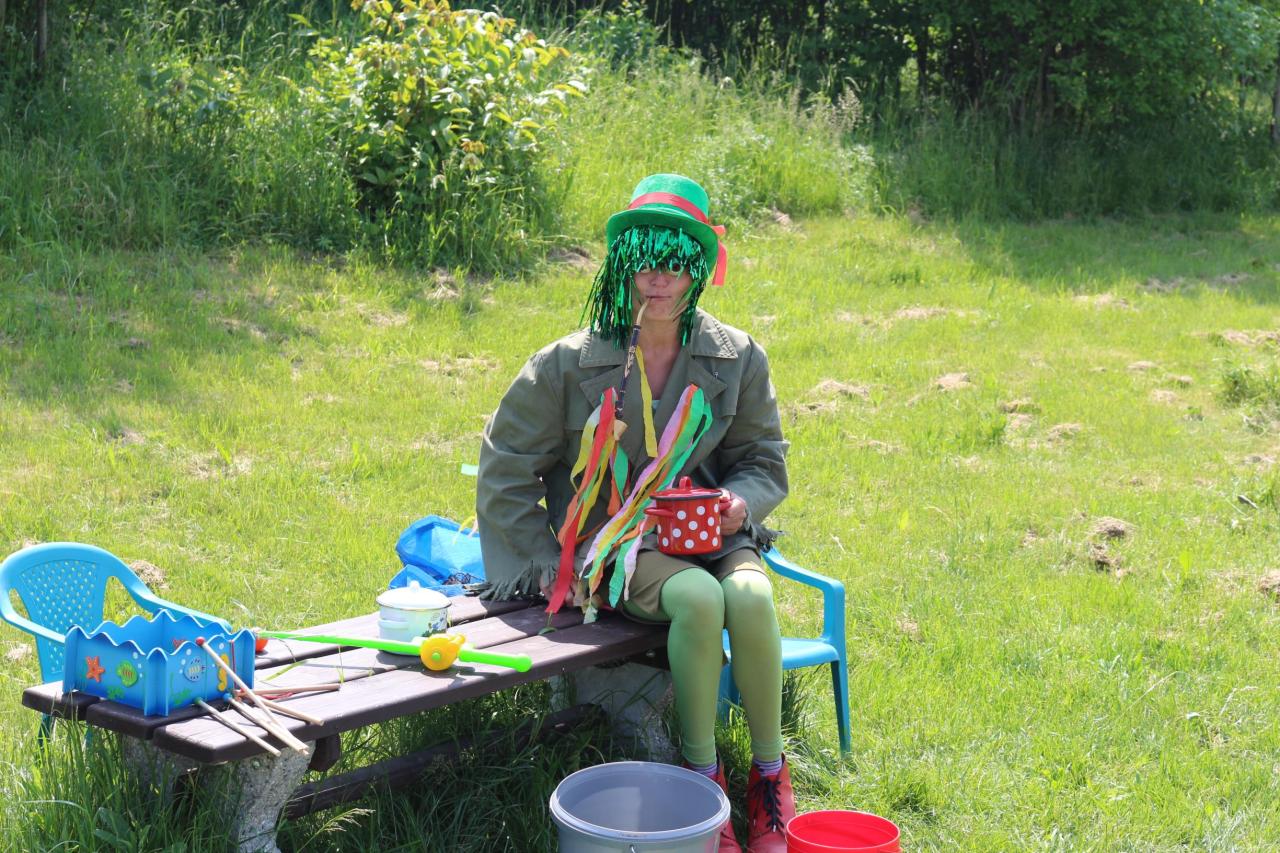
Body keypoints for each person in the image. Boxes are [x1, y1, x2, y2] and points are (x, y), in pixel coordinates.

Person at [476, 173, 793, 852]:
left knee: (751, 595)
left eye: (675, 261)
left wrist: (740, 503)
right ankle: (705, 786)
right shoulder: (566, 363)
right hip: (616, 542)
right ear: (622, 264)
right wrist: (544, 561)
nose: (658, 278)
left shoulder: (738, 356)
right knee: (701, 599)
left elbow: (763, 459)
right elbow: (505, 465)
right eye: (645, 259)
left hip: (709, 531)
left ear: (699, 268)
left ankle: (769, 782)